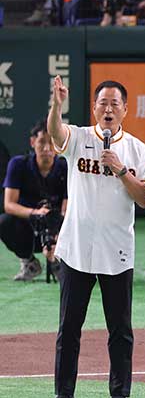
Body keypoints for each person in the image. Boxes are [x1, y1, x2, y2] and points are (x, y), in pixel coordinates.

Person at [44, 76, 145, 398]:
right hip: (76, 247)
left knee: (120, 329)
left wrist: (121, 171)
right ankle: (64, 395)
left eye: (114, 104)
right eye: (102, 103)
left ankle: (119, 396)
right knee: (69, 326)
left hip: (117, 250)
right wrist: (57, 105)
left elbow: (144, 199)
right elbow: (55, 133)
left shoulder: (136, 149)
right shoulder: (78, 137)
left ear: (125, 110)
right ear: (94, 108)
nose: (108, 109)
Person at [1, 121, 67, 282]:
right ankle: (29, 263)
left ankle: (60, 261)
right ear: (32, 143)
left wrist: (57, 231)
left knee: (79, 221)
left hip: (57, 227)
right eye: (42, 142)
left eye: (51, 142)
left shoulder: (66, 167)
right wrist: (35, 214)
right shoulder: (18, 164)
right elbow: (9, 205)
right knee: (4, 222)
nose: (46, 148)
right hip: (28, 227)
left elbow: (68, 206)